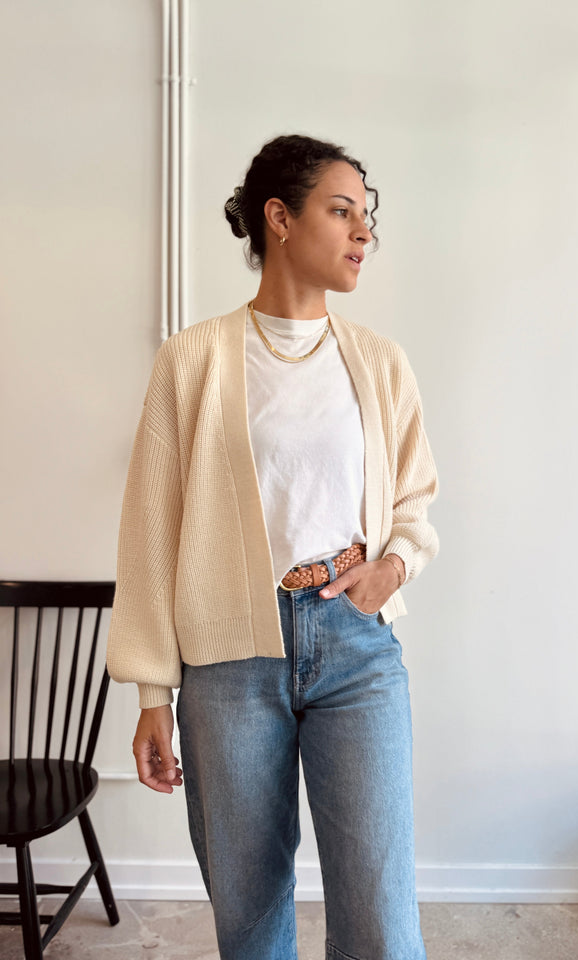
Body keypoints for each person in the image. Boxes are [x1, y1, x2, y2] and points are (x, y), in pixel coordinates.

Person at [107, 133, 439, 960]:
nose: (363, 233)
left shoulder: (380, 362)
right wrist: (153, 693)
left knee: (381, 912)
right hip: (226, 661)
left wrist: (393, 565)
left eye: (368, 218)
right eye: (342, 211)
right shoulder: (191, 361)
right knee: (249, 908)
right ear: (279, 218)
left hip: (357, 646)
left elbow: (415, 499)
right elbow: (151, 529)